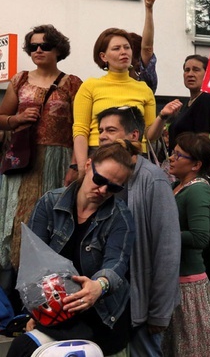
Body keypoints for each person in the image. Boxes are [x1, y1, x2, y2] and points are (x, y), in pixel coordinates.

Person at [9, 142, 137, 357]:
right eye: (99, 180)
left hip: (102, 317)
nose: (104, 190)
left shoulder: (121, 217)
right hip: (56, 313)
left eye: (114, 188)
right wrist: (37, 311)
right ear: (87, 165)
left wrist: (99, 286)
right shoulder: (49, 203)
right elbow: (32, 262)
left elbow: (117, 264)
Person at [96, 106, 180, 357]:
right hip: (107, 302)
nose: (102, 137)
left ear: (134, 136)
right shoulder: (98, 179)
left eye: (111, 130)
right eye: (100, 131)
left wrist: (159, 312)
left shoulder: (152, 180)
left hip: (142, 306)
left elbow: (167, 249)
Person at [0, 25, 82, 272]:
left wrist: (75, 164)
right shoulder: (20, 79)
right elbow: (2, 116)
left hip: (58, 160)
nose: (38, 50)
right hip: (23, 159)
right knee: (19, 218)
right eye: (33, 46)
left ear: (58, 50)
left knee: (51, 220)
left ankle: (48, 277)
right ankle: (15, 279)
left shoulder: (72, 83)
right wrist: (17, 120)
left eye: (45, 46)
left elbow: (80, 127)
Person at [162, 133, 210, 357]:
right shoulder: (178, 185)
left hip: (188, 286)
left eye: (178, 154)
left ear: (196, 164)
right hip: (174, 280)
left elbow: (199, 238)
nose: (172, 158)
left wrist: (162, 235)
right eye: (173, 152)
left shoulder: (198, 189)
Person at [72, 28, 158, 172]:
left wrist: (163, 117)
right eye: (116, 48)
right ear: (103, 56)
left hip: (135, 156)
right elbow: (80, 130)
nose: (123, 52)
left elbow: (150, 135)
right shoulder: (90, 86)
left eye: (127, 47)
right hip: (99, 152)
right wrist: (81, 166)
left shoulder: (144, 89)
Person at [152, 55, 210, 155]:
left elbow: (204, 140)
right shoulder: (189, 103)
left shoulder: (207, 99)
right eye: (187, 70)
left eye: (196, 70)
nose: (190, 74)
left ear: (207, 74)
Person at [128, 0, 158, 92]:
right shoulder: (98, 85)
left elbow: (147, 48)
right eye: (116, 48)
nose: (121, 52)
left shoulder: (143, 80)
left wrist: (149, 9)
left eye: (126, 47)